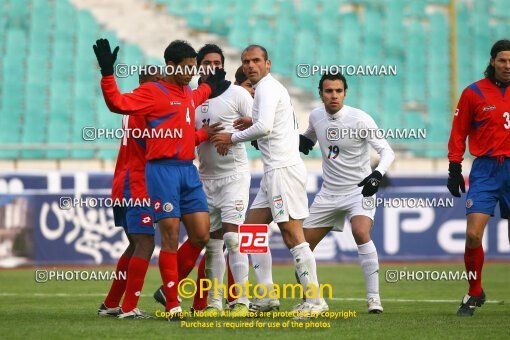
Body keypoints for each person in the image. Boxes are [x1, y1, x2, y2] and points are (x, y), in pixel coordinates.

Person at [93, 38, 224, 320]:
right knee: (159, 240)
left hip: (185, 171)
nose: (190, 72)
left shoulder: (186, 93)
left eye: (193, 68)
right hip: (153, 176)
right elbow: (118, 103)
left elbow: (195, 99)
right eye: (187, 68)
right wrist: (107, 73)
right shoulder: (150, 97)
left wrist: (212, 85)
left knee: (200, 234)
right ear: (170, 67)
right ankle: (162, 304)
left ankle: (120, 302)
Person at [212, 45, 327, 318]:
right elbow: (269, 122)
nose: (251, 65)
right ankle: (266, 297)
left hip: (282, 170)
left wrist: (232, 137)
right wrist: (250, 120)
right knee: (252, 229)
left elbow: (264, 128)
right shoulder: (270, 88)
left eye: (256, 60)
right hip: (273, 172)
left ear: (268, 63)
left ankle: (315, 300)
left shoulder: (266, 87)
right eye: (246, 61)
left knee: (291, 234)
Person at [299, 72, 394, 314]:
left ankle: (374, 298)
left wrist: (377, 174)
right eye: (328, 91)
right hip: (328, 194)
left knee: (361, 232)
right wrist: (296, 142)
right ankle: (313, 300)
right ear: (320, 94)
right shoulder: (316, 115)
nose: (334, 95)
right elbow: (308, 136)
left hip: (358, 191)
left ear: (345, 93)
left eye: (338, 91)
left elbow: (387, 152)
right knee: (301, 247)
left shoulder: (360, 119)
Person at [447, 39, 510, 316]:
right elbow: (459, 131)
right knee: (473, 234)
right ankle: (474, 291)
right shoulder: (473, 93)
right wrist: (454, 167)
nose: (508, 66)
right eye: (502, 61)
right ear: (492, 61)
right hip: (485, 170)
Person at [98, 68, 162, 319]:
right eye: (159, 80)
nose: (163, 85)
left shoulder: (134, 103)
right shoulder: (146, 105)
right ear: (148, 82)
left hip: (123, 184)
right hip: (137, 186)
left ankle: (112, 302)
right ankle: (129, 307)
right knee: (145, 242)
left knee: (135, 243)